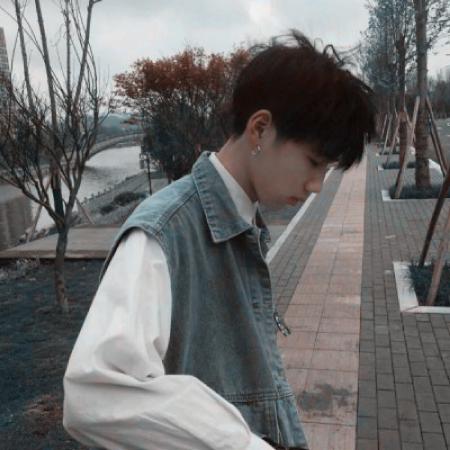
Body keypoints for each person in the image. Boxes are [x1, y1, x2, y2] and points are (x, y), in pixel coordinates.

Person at [63, 30, 376, 450]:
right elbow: (95, 394)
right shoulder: (164, 234)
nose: (317, 185)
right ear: (260, 129)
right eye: (313, 162)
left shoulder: (242, 220)